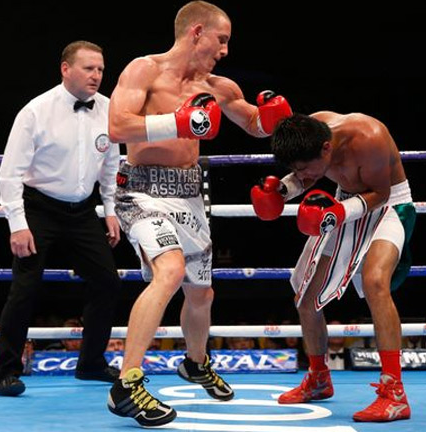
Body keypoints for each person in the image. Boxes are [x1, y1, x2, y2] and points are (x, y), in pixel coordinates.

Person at [105, 1, 292, 427]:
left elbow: (254, 124)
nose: (225, 50)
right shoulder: (144, 70)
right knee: (169, 272)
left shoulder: (218, 86)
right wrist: (178, 122)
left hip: (189, 196)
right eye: (221, 39)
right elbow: (117, 126)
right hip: (142, 192)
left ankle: (195, 362)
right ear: (197, 32)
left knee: (201, 293)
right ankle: (127, 384)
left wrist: (276, 119)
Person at [251, 112, 416, 422]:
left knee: (375, 283)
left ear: (326, 149)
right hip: (342, 205)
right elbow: (307, 174)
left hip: (390, 205)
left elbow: (380, 194)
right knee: (305, 294)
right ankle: (318, 378)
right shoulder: (311, 132)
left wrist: (340, 211)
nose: (300, 174)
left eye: (303, 168)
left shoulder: (370, 138)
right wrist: (281, 192)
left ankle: (394, 392)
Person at [0, 40, 122, 397]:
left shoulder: (108, 109)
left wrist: (110, 210)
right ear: (66, 69)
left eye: (100, 69)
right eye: (88, 68)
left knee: (107, 281)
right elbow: (9, 174)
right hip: (39, 210)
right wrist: (17, 224)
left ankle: (91, 362)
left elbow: (111, 166)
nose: (96, 75)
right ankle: (5, 372)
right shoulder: (36, 111)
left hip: (83, 211)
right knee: (25, 289)